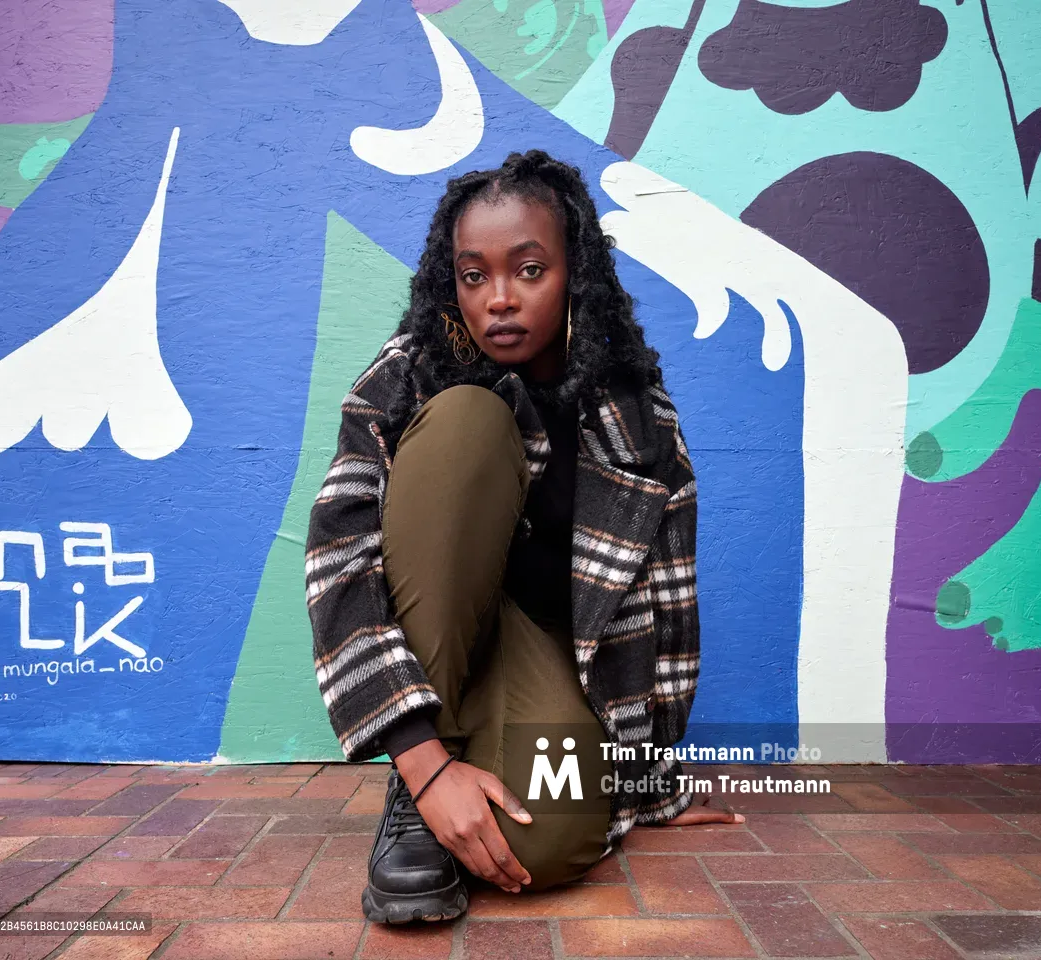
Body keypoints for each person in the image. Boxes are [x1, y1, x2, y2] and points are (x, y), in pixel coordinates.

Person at [305, 149, 743, 924]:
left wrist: (652, 784)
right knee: (469, 420)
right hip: (431, 640)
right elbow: (338, 548)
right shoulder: (411, 372)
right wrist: (419, 758)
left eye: (529, 269)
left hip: (537, 658)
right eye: (475, 275)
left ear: (576, 272)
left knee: (548, 843)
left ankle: (470, 774)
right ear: (452, 284)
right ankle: (419, 792)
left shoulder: (637, 418)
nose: (499, 299)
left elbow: (671, 615)